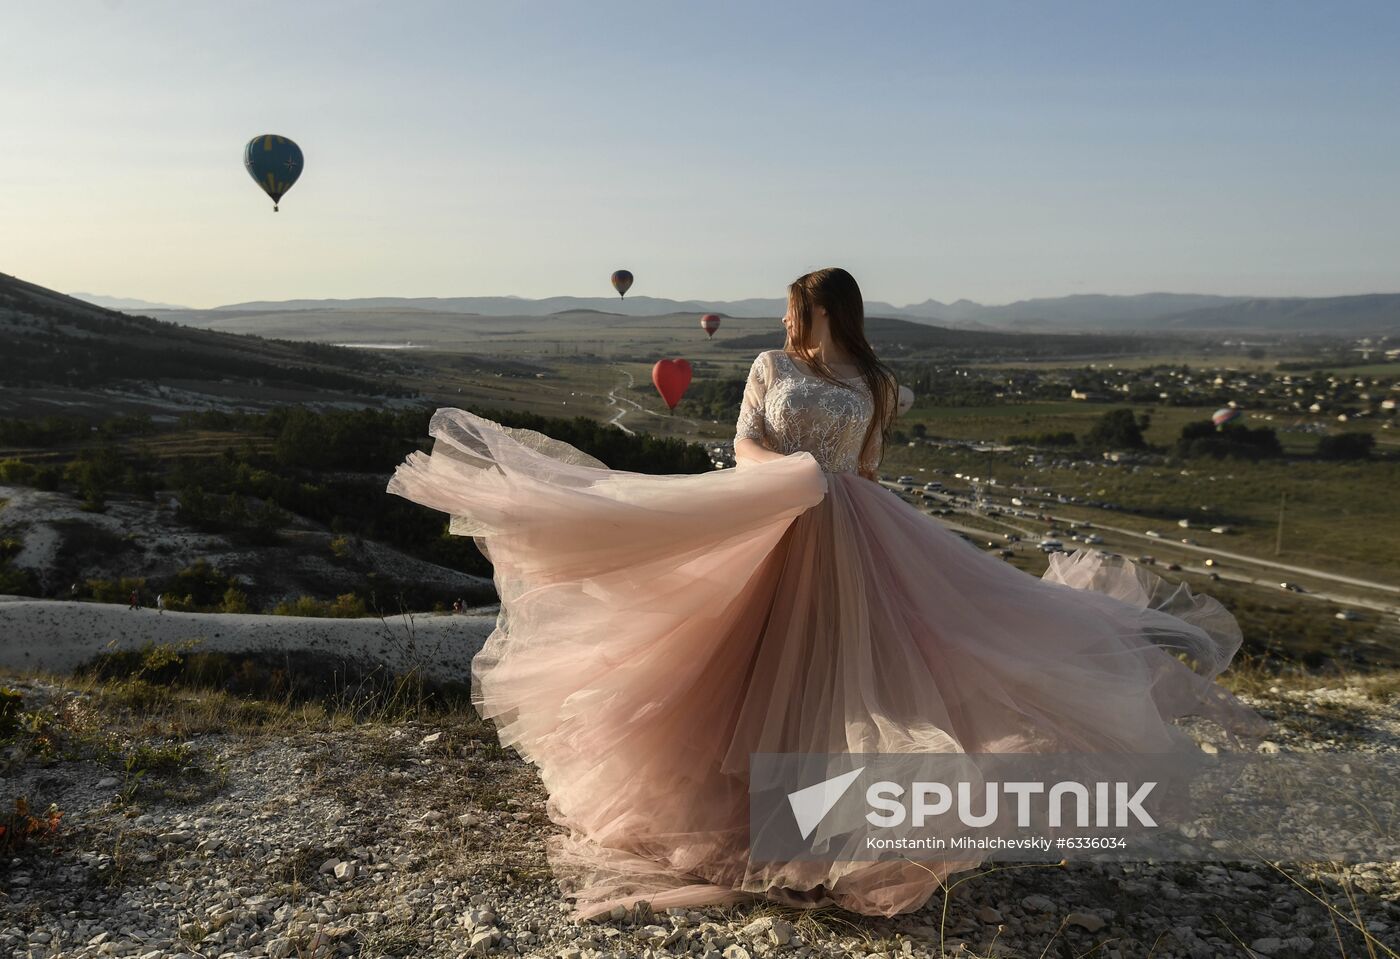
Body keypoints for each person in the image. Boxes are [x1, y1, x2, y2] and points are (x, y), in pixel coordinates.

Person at [385, 267, 1269, 922]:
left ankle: (839, 820)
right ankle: (752, 809)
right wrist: (798, 476)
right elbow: (744, 448)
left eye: (793, 307)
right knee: (755, 661)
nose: (783, 317)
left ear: (822, 311)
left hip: (859, 529)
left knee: (870, 671)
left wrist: (843, 485)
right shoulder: (771, 365)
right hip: (784, 517)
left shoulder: (875, 384)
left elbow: (872, 467)